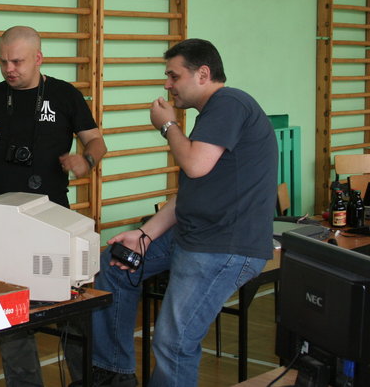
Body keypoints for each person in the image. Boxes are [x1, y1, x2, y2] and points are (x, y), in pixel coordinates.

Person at [90, 38, 278, 387]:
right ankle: (115, 374)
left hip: (223, 245)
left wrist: (167, 126)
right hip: (193, 234)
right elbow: (191, 193)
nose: (167, 84)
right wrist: (144, 235)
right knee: (114, 266)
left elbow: (194, 165)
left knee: (173, 343)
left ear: (203, 74)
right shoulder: (213, 114)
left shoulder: (229, 103)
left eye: (174, 76)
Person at [0, 25, 107, 387]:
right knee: (11, 315)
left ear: (38, 58)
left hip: (53, 224)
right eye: (3, 62)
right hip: (1, 225)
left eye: (17, 62)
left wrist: (86, 160)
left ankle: (85, 380)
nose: (9, 69)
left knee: (70, 311)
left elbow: (97, 142)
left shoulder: (65, 95)